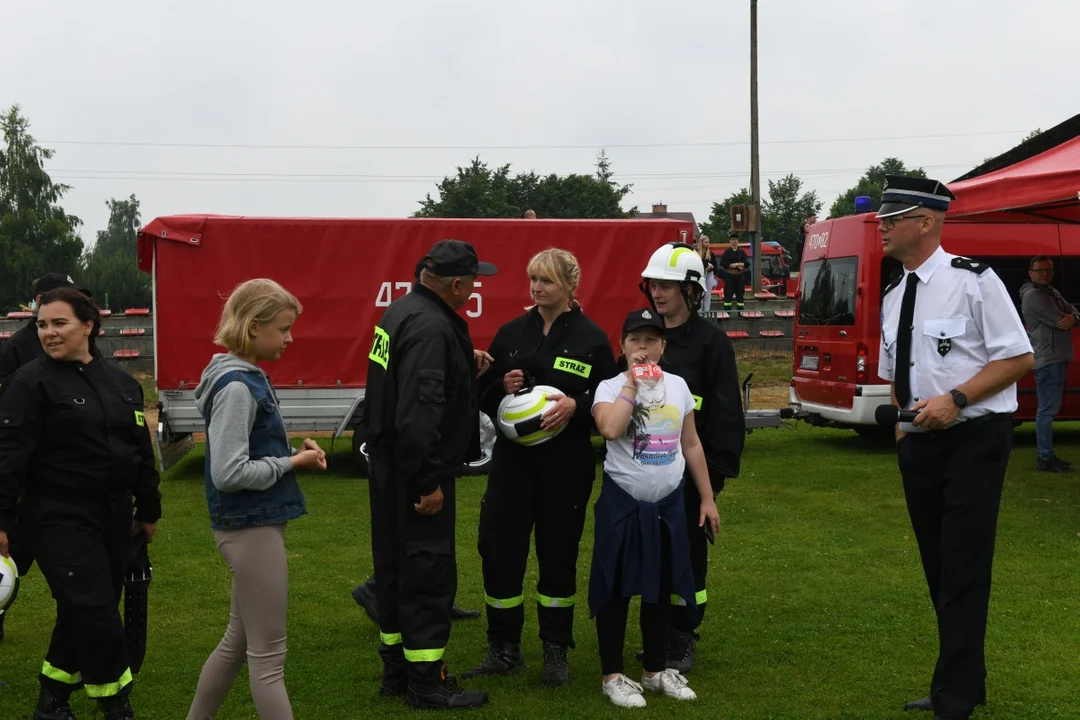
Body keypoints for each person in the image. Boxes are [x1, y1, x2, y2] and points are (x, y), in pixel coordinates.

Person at [877, 176, 1033, 720]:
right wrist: (903, 430)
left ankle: (955, 697)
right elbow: (895, 373)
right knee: (939, 567)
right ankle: (966, 680)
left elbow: (1017, 358)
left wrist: (958, 399)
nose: (881, 226)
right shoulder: (894, 294)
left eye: (892, 218)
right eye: (881, 218)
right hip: (920, 444)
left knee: (963, 566)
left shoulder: (974, 281)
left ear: (927, 221)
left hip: (973, 438)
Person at [0, 287, 161, 720]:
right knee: (94, 607)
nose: (48, 333)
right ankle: (116, 705)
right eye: (42, 325)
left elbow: (140, 452)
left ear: (88, 326)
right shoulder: (29, 382)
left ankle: (51, 700)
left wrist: (148, 510)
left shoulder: (123, 383)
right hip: (56, 516)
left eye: (59, 323)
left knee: (82, 606)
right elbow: (7, 456)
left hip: (113, 516)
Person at [463, 248, 617, 686]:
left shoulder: (591, 338)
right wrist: (499, 383)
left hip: (564, 466)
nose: (536, 287)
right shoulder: (513, 332)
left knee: (558, 553)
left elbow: (611, 398)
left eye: (546, 280)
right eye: (533, 279)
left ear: (570, 286)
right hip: (512, 465)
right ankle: (504, 648)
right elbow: (485, 397)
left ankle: (555, 650)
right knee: (498, 549)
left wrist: (577, 405)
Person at [364, 239, 496, 709]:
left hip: (388, 469)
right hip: (416, 473)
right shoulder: (431, 327)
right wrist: (428, 482)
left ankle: (396, 671)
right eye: (474, 280)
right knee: (426, 572)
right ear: (456, 284)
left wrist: (466, 366)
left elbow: (401, 385)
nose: (476, 286)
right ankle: (427, 681)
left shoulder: (400, 311)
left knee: (395, 570)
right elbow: (419, 412)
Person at [187, 279, 326, 719]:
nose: (290, 338)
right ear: (251, 327)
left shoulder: (242, 377)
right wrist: (292, 464)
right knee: (268, 659)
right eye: (283, 329)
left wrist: (291, 455)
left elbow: (244, 456)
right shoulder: (236, 387)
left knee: (238, 641)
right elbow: (228, 474)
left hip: (252, 526)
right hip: (250, 529)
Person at [589, 308, 720, 708]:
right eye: (634, 341)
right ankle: (612, 675)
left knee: (661, 585)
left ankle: (655, 670)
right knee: (614, 587)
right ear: (622, 346)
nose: (642, 348)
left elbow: (691, 443)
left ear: (663, 346)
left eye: (650, 341)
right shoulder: (610, 388)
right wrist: (631, 383)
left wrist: (708, 498)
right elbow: (610, 429)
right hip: (623, 503)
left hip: (667, 506)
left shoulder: (679, 387)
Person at [639, 241, 745, 673]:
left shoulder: (711, 344)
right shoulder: (645, 339)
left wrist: (712, 481)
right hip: (645, 475)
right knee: (653, 558)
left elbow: (724, 415)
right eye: (653, 285)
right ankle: (658, 634)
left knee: (687, 560)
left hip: (690, 477)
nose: (658, 293)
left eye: (667, 285)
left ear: (691, 291)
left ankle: (683, 638)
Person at [0, 272, 87, 644]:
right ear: (37, 301)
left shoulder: (78, 350)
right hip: (23, 488)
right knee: (7, 569)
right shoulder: (17, 351)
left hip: (64, 489)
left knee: (76, 584)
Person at [1019, 255, 1077, 472]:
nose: (1044, 274)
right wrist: (1072, 318)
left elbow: (1072, 311)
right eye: (1039, 270)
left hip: (1055, 358)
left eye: (1048, 270)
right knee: (1047, 411)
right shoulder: (1034, 295)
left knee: (1048, 410)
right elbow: (1060, 321)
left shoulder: (1051, 291)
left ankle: (1047, 456)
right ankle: (1045, 457)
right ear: (1030, 273)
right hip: (1048, 359)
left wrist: (1074, 317)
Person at [719, 232, 749, 312]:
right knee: (728, 294)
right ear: (730, 241)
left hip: (740, 276)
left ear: (738, 241)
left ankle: (740, 311)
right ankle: (727, 311)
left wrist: (739, 265)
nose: (734, 241)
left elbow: (747, 263)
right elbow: (723, 263)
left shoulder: (742, 252)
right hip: (730, 276)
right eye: (733, 239)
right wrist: (731, 265)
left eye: (736, 239)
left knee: (740, 294)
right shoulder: (727, 252)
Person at [697, 236, 718, 313]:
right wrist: (706, 264)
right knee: (701, 293)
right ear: (701, 242)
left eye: (708, 242)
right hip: (701, 274)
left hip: (709, 274)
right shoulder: (697, 252)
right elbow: (698, 262)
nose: (708, 244)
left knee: (708, 294)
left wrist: (711, 266)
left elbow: (715, 264)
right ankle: (699, 312)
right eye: (706, 242)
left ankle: (706, 312)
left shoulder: (711, 253)